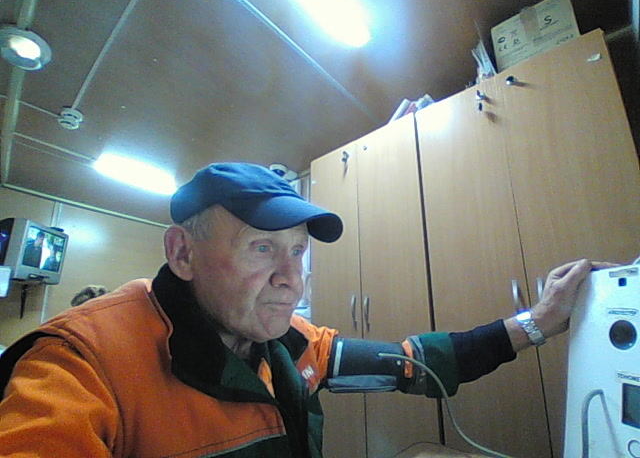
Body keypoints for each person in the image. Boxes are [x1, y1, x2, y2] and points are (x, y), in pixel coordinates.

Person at [0, 162, 609, 458]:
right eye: (262, 248)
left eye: (298, 252)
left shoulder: (294, 341)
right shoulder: (80, 364)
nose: (291, 280)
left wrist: (537, 323)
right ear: (183, 253)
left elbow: (413, 365)